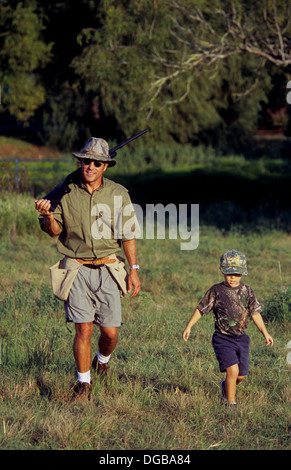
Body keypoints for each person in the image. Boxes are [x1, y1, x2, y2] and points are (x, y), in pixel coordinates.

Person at [35, 137, 141, 403]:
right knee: (83, 329)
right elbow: (54, 232)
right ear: (80, 162)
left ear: (105, 166)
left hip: (109, 267)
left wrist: (134, 269)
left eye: (96, 162)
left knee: (110, 332)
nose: (90, 166)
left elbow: (127, 234)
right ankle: (83, 384)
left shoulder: (119, 194)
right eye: (86, 161)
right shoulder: (64, 192)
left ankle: (102, 361)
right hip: (76, 267)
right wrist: (48, 215)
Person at [182, 250, 273, 410]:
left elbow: (255, 313)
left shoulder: (247, 291)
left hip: (242, 339)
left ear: (242, 273)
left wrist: (265, 333)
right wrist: (189, 326)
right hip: (223, 339)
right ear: (222, 271)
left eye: (237, 274)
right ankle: (231, 404)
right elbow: (201, 309)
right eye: (229, 273)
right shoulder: (216, 291)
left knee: (240, 375)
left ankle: (225, 386)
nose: (232, 277)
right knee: (232, 370)